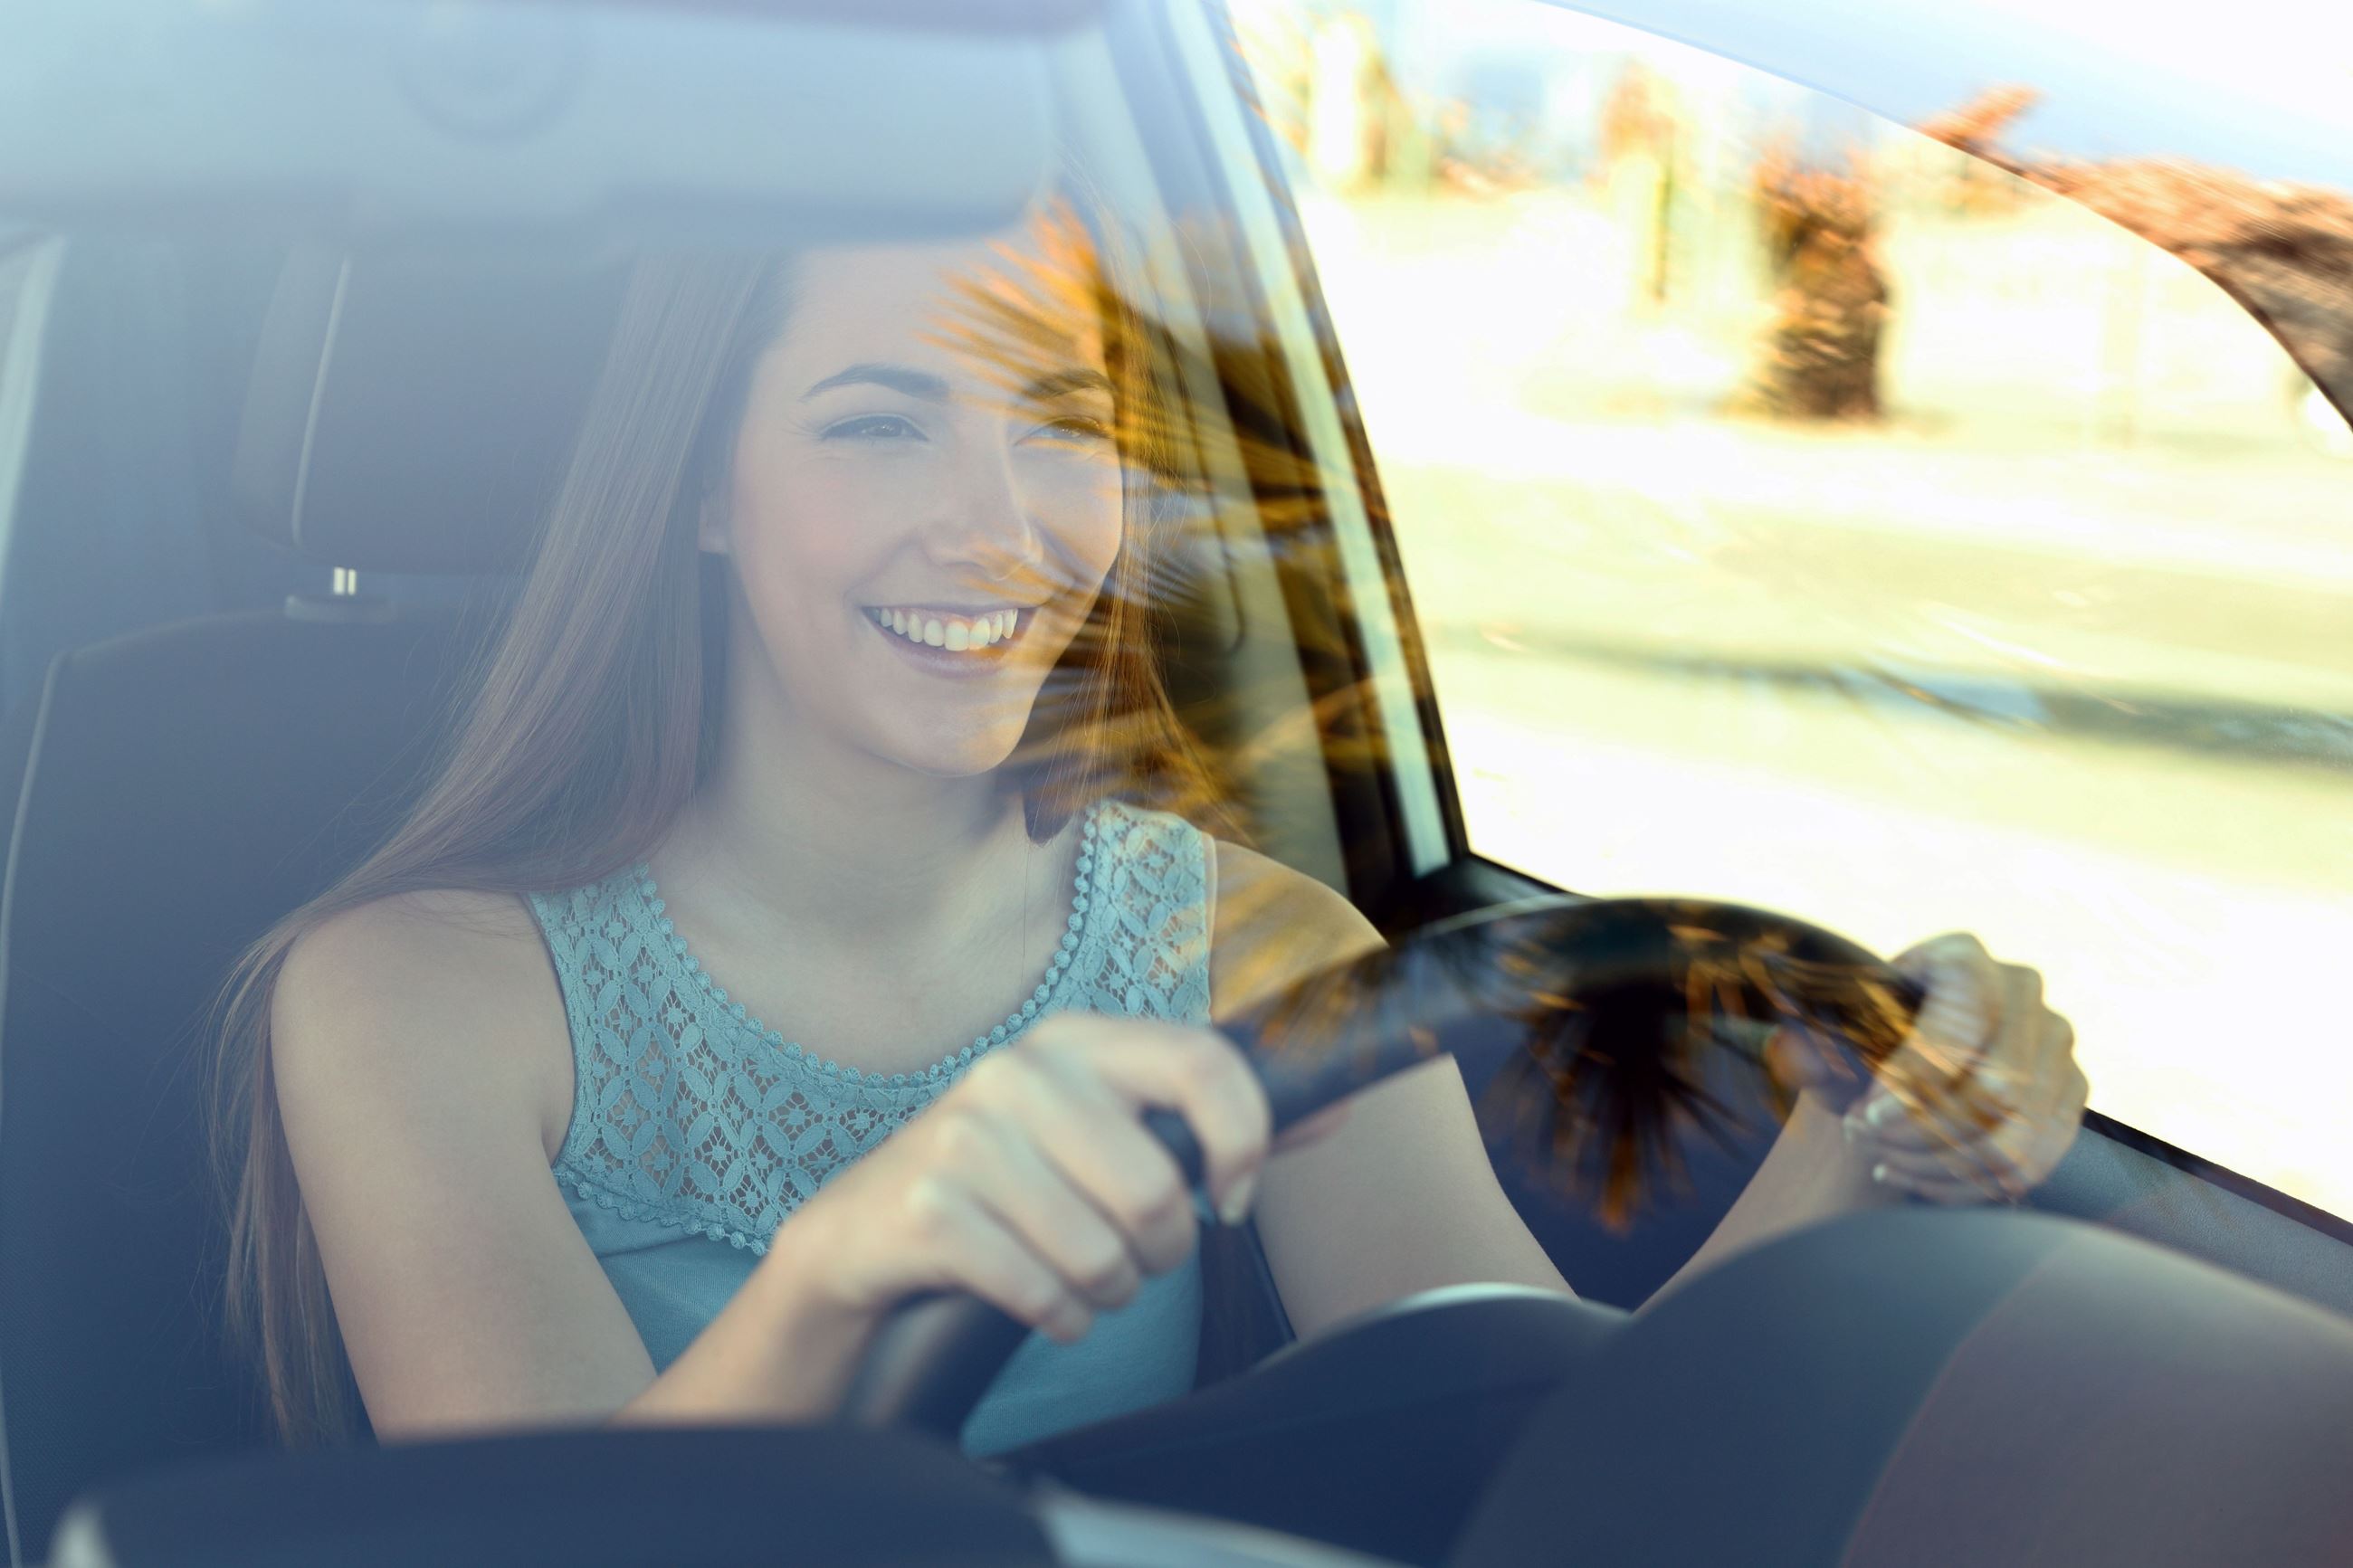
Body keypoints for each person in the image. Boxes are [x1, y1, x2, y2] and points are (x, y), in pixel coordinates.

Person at [212, 189, 2087, 1462]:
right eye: (879, 427)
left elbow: (1549, 1455)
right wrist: (844, 1273)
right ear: (702, 489)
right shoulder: (405, 997)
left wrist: (1875, 1132)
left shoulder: (1249, 947)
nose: (1002, 524)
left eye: (1059, 422)